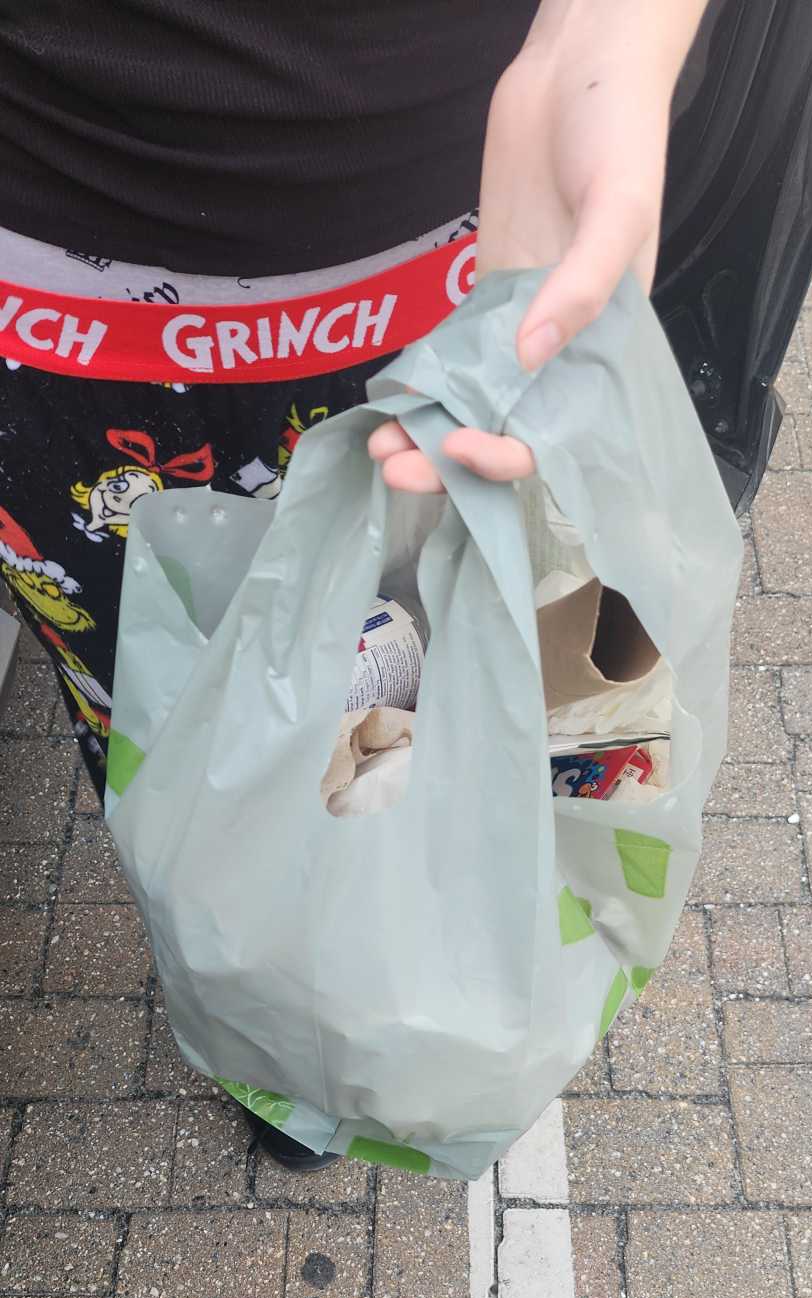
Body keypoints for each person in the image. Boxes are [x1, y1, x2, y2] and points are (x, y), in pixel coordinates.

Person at [0, 0, 709, 1167]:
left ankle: (383, 973)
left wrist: (602, 43)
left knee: (429, 680)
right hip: (45, 296)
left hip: (454, 231)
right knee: (167, 723)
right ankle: (274, 1035)